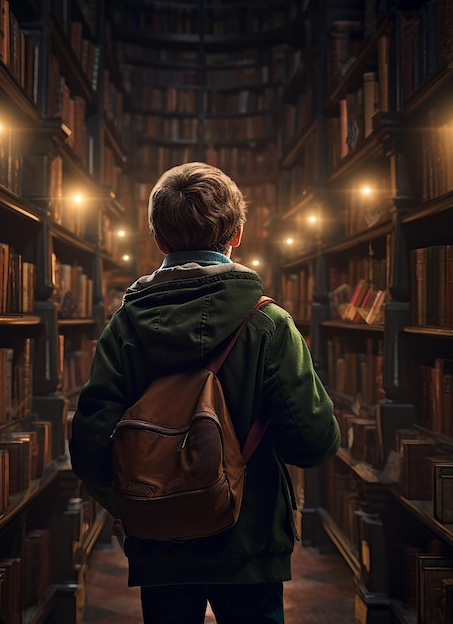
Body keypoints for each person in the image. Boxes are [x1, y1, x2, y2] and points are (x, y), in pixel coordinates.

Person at [69, 161, 341, 624]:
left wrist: (145, 504)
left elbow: (90, 447)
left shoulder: (124, 328)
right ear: (236, 233)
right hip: (250, 543)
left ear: (157, 238)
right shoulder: (269, 324)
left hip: (160, 550)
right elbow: (314, 442)